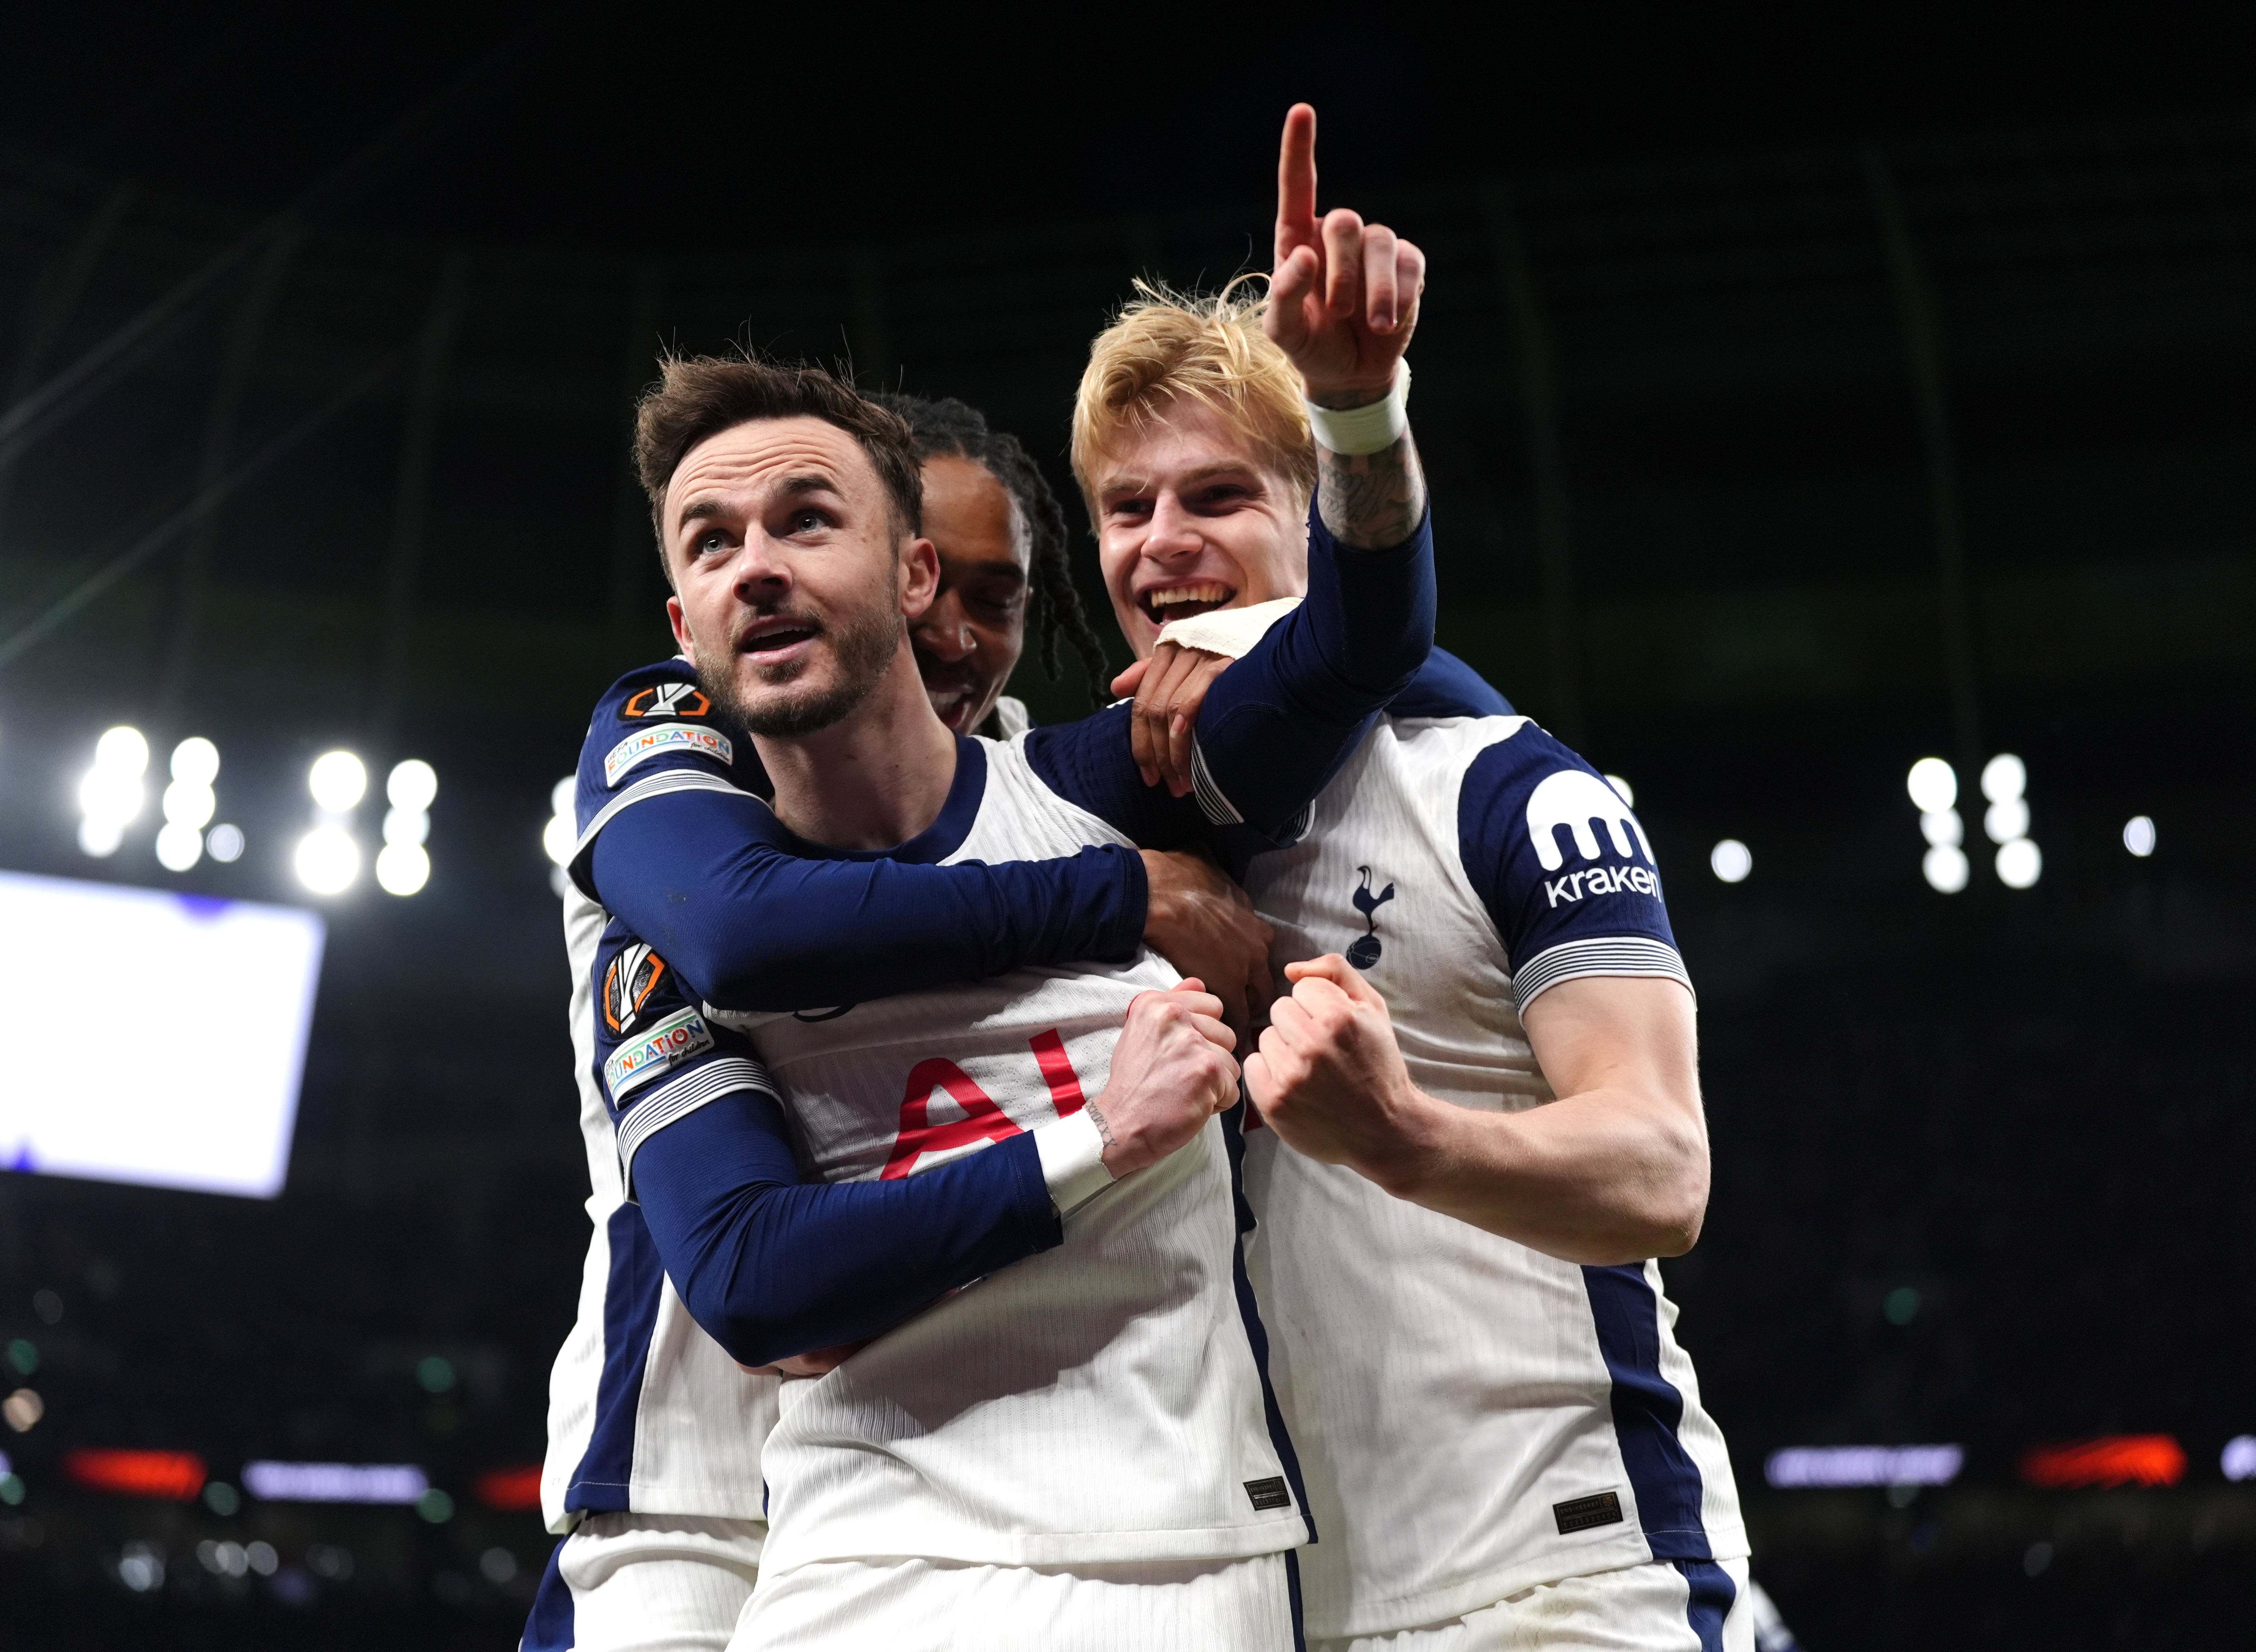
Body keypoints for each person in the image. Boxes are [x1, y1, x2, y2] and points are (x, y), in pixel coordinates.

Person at [599, 323, 1430, 1647]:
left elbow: (1365, 638)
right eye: (710, 543)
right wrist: (1095, 1130)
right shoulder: (662, 902)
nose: (755, 568)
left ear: (903, 569)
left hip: (1176, 1555)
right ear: (677, 622)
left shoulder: (1104, 786)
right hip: (838, 1558)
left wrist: (1351, 416)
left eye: (807, 523)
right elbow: (754, 1275)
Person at [1089, 107, 1752, 1652]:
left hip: (1558, 1577)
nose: (1165, 543)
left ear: (1313, 524)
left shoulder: (1514, 784)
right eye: (1127, 508)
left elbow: (1661, 1171)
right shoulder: (1135, 833)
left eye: (1218, 497)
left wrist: (1403, 1131)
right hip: (1275, 1610)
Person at [876, 391, 1105, 741]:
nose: (953, 641)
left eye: (996, 600)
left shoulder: (1050, 782)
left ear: (1022, 612)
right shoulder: (763, 780)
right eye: (913, 582)